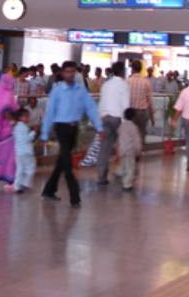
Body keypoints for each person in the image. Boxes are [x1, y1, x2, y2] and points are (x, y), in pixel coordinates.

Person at [41, 61, 102, 207]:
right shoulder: (57, 91)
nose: (70, 74)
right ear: (62, 73)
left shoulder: (80, 90)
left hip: (74, 129)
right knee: (68, 166)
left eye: (73, 72)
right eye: (67, 71)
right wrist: (44, 133)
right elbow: (50, 113)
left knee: (62, 162)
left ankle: (48, 190)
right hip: (61, 128)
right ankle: (75, 197)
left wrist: (99, 127)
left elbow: (91, 107)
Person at [96, 61, 130, 186]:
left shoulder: (106, 85)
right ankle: (122, 171)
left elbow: (102, 102)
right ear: (122, 71)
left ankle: (101, 176)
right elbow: (125, 105)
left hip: (105, 117)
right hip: (117, 119)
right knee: (123, 146)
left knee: (104, 147)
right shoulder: (124, 85)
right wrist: (125, 123)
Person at [127, 59, 154, 142]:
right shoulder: (146, 82)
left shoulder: (127, 81)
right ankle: (140, 152)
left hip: (130, 112)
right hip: (142, 113)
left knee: (130, 135)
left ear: (132, 69)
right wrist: (152, 117)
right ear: (141, 69)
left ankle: (131, 152)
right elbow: (149, 102)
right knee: (141, 134)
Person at [117, 107, 143, 191]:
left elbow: (118, 138)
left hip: (122, 149)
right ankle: (127, 184)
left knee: (124, 165)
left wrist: (117, 148)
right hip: (130, 151)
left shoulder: (121, 126)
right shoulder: (134, 127)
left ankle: (122, 175)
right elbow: (137, 140)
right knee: (130, 167)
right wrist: (138, 151)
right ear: (134, 117)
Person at [13, 108, 37, 193]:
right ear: (20, 118)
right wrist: (34, 132)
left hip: (18, 153)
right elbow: (27, 139)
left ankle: (17, 186)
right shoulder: (24, 127)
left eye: (28, 117)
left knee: (20, 170)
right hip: (27, 152)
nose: (28, 118)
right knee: (31, 168)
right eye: (26, 117)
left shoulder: (15, 127)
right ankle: (25, 184)